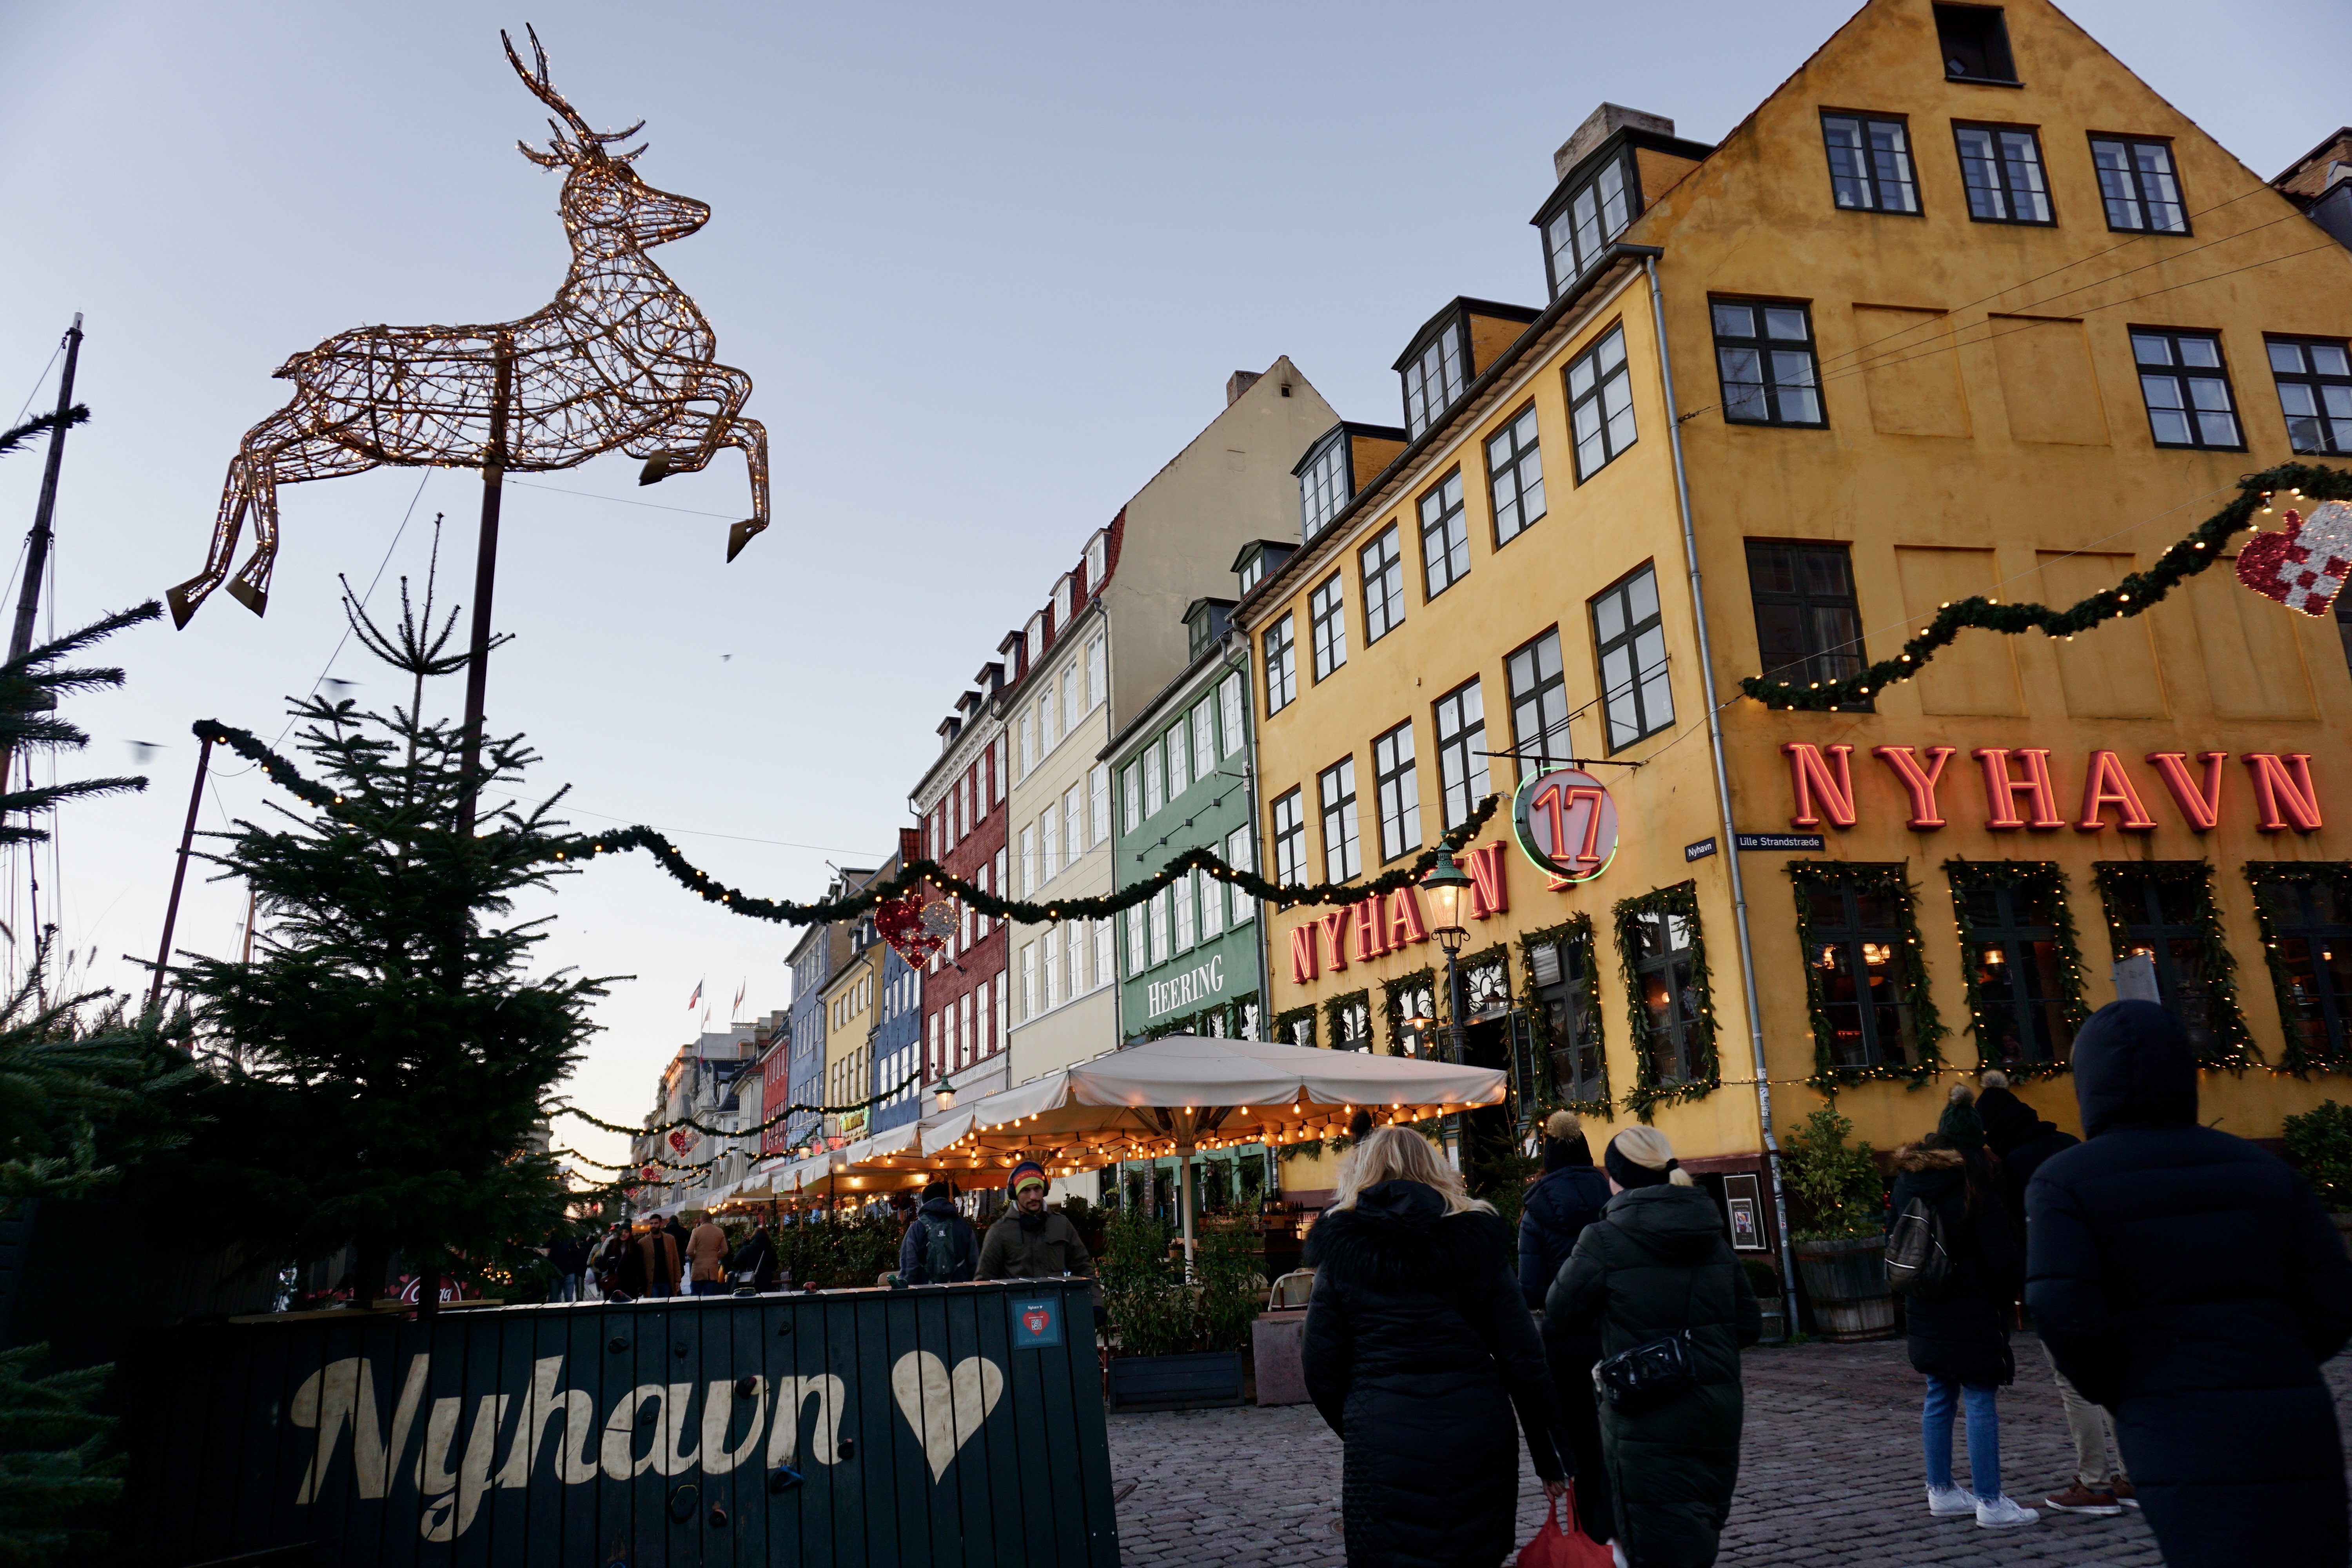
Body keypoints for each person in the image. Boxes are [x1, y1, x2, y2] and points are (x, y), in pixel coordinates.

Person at [2027, 1000, 2352, 1568]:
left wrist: (2130, 1388)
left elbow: (2063, 1310)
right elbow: (2332, 1296)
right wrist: (2277, 1358)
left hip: (2171, 1416)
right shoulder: (2263, 1169)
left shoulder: (2068, 1180)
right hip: (2290, 1415)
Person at [1301, 1125, 1569, 1567]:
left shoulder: (1343, 1250)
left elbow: (1321, 1368)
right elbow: (1523, 1356)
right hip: (1476, 1431)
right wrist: (1551, 1456)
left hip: (1383, 1437)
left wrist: (1365, 1422)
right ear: (1436, 1169)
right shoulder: (1476, 1239)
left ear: (1364, 1171)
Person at [1548, 1125, 1757, 1568]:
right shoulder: (1711, 1232)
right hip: (1714, 1408)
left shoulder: (1604, 1239)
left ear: (1616, 1177)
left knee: (1648, 1536)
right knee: (1696, 1527)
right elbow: (1749, 1324)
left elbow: (1559, 1310)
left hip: (1644, 1409)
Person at [1978, 1071, 2128, 1515]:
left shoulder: (2015, 1168)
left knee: (2075, 1383)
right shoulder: (2071, 1147)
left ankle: (2095, 1483)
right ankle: (2134, 1475)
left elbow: (2019, 1238)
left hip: (2060, 1286)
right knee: (2116, 1376)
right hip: (2108, 1279)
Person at [1890, 1087, 2037, 1529]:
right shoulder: (1978, 1189)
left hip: (1925, 1304)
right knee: (1979, 1398)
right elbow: (2003, 1259)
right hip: (1973, 1309)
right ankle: (1990, 1501)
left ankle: (1941, 1490)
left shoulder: (1906, 1184)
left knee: (1939, 1393)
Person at [1518, 1109, 1615, 1547]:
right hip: (1612, 1332)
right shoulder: (1611, 1192)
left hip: (1565, 1341)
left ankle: (1589, 1533)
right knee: (1617, 1436)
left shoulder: (1536, 1206)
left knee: (1578, 1438)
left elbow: (1532, 1288)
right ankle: (1615, 1527)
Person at [977, 1163, 1098, 1302]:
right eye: (1026, 1191)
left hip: (1057, 1311)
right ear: (1014, 1194)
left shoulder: (1061, 1224)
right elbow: (984, 1283)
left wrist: (1095, 1303)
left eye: (1037, 1189)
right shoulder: (999, 1232)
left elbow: (1084, 1268)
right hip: (1015, 1315)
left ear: (1044, 1190)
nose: (1033, 1196)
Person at [900, 1180, 978, 1284]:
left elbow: (909, 1268)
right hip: (960, 1294)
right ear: (946, 1199)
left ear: (925, 1202)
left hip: (925, 1296)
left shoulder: (916, 1228)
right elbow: (975, 1264)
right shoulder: (963, 1227)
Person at [621, 1215, 681, 1299]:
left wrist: (677, 1280)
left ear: (661, 1224)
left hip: (667, 1281)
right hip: (651, 1282)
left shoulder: (670, 1239)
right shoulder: (643, 1242)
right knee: (654, 1307)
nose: (653, 1226)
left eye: (656, 1223)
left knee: (666, 1307)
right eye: (651, 1223)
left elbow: (675, 1260)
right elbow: (639, 1264)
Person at [686, 1212, 729, 1297]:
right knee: (709, 1299)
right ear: (711, 1220)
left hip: (698, 1270)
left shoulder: (696, 1231)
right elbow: (725, 1250)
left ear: (701, 1220)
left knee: (695, 1296)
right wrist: (716, 1257)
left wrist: (694, 1258)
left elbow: (689, 1251)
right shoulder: (719, 1232)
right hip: (712, 1271)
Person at [729, 1221, 779, 1291]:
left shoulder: (747, 1249)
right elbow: (774, 1267)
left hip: (748, 1283)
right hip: (766, 1284)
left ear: (754, 1237)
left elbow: (735, 1263)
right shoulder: (771, 1251)